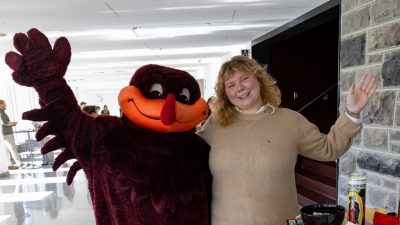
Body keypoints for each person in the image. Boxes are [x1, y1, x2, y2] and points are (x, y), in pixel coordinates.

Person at [197, 55, 377, 225]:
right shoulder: (215, 126)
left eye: (244, 78)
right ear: (225, 93)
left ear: (258, 78)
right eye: (230, 85)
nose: (240, 88)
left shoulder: (290, 121)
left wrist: (351, 113)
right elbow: (184, 156)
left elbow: (329, 148)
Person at [0, 100, 24, 170]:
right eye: (4, 104)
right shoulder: (1, 112)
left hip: (5, 134)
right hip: (7, 134)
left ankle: (9, 165)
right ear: (0, 104)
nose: (6, 105)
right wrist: (12, 123)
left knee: (7, 150)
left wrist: (11, 124)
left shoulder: (2, 112)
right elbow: (4, 123)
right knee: (13, 148)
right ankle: (20, 163)